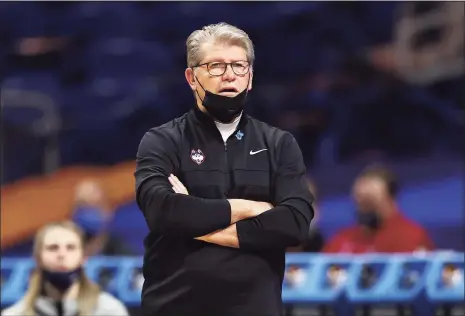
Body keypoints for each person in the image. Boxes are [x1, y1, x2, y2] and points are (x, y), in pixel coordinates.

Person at [134, 22, 314, 316]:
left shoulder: (279, 143)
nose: (230, 75)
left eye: (239, 66)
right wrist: (251, 207)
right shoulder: (162, 140)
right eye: (216, 66)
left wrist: (195, 223)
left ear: (250, 77)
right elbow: (162, 211)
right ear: (192, 77)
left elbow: (295, 223)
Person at [1, 221, 128, 316]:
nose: (62, 255)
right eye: (53, 248)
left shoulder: (109, 311)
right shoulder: (15, 314)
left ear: (83, 258)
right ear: (38, 259)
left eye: (71, 248)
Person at [323, 164, 434, 253]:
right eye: (360, 200)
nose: (364, 208)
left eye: (370, 201)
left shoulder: (411, 235)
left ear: (391, 200)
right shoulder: (343, 238)